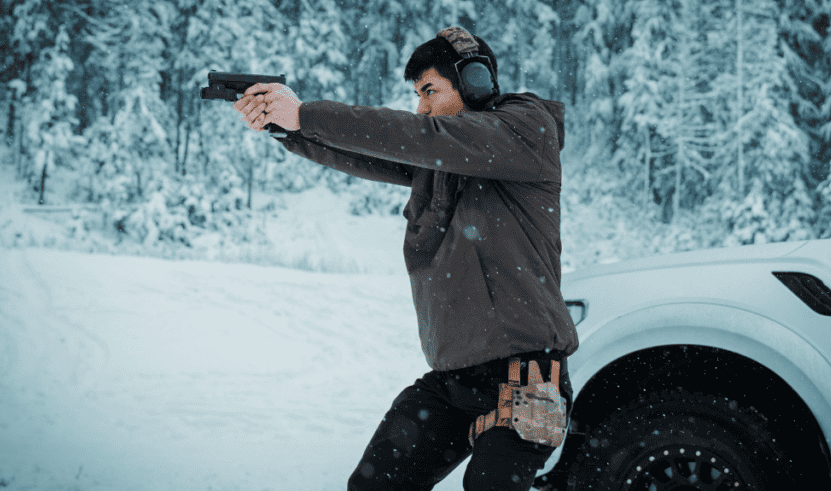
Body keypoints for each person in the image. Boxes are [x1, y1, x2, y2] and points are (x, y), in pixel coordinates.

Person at [233, 27, 578, 491]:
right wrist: (287, 125)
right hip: (453, 381)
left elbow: (417, 135)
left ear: (475, 81)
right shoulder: (441, 156)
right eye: (417, 95)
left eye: (430, 91)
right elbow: (370, 151)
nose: (422, 106)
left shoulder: (524, 130)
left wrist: (307, 114)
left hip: (530, 384)